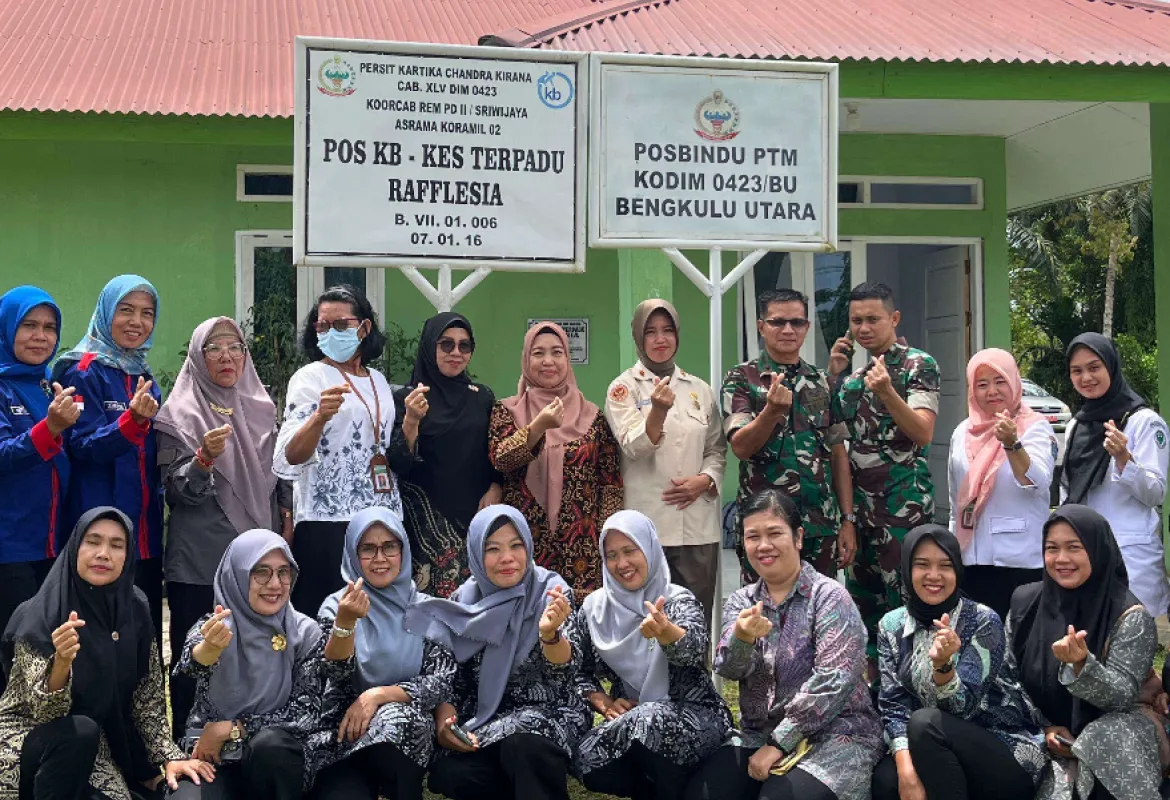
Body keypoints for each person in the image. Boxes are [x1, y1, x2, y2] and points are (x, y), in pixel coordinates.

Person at [0, 507, 211, 800]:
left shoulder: (135, 608)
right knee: (80, 731)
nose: (103, 554)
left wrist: (168, 756)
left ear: (128, 555)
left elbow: (147, 699)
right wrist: (61, 663)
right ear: (75, 547)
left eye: (116, 545)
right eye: (93, 541)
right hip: (26, 746)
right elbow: (42, 714)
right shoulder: (40, 614)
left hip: (94, 749)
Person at [686, 489, 883, 800]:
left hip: (833, 736)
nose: (763, 545)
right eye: (753, 536)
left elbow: (833, 681)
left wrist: (778, 743)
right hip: (758, 735)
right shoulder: (741, 601)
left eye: (774, 533)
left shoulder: (829, 597)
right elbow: (728, 669)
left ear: (798, 537)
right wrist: (742, 637)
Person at [154, 316, 293, 739]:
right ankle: (186, 744)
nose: (226, 355)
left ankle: (249, 740)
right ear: (198, 357)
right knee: (195, 656)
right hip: (201, 562)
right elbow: (176, 493)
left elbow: (281, 474)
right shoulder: (179, 414)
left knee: (256, 655)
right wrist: (203, 460)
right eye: (214, 348)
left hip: (257, 563)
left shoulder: (262, 408)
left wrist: (286, 517)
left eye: (235, 346)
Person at [405, 505, 590, 800]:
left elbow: (566, 671)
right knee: (450, 774)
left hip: (547, 714)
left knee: (524, 746)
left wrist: (550, 635)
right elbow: (451, 678)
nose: (507, 558)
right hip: (485, 720)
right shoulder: (464, 600)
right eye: (493, 549)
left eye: (516, 545)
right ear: (476, 555)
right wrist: (445, 719)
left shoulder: (551, 592)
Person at [169, 529, 367, 800]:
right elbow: (191, 667)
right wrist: (210, 649)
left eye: (283, 572)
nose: (275, 584)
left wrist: (234, 728)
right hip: (214, 756)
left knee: (271, 747)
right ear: (237, 575)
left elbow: (305, 713)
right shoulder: (214, 626)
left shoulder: (304, 632)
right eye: (261, 572)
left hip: (279, 762)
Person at [871, 525, 1045, 800]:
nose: (934, 575)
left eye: (945, 566)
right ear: (906, 569)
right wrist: (905, 770)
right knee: (887, 782)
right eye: (922, 565)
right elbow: (893, 705)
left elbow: (963, 709)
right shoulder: (891, 625)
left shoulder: (983, 620)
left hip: (1001, 747)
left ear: (958, 571)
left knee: (925, 722)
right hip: (930, 744)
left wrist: (944, 666)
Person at [1007, 504, 1162, 800]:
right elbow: (1008, 678)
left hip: (1117, 738)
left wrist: (1081, 666)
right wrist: (1044, 727)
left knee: (1103, 738)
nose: (1061, 559)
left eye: (1074, 547)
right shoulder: (1025, 604)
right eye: (1052, 548)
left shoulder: (1130, 615)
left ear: (1097, 550)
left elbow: (1122, 697)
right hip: (1043, 733)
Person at [575, 509, 732, 800]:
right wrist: (604, 702)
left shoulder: (676, 599)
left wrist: (665, 631)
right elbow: (578, 672)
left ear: (649, 548)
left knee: (650, 722)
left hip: (693, 714)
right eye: (612, 555)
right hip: (631, 719)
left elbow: (693, 649)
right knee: (584, 757)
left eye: (630, 551)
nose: (622, 564)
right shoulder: (594, 609)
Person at [828, 281, 940, 663]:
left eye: (873, 319)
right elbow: (837, 446)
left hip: (903, 512)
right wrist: (833, 376)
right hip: (861, 517)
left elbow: (923, 432)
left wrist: (889, 393)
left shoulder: (917, 365)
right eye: (856, 320)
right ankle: (875, 689)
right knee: (866, 614)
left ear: (894, 319)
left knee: (909, 609)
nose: (863, 328)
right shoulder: (852, 382)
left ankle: (911, 685)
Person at [311, 508, 456, 800]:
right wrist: (346, 623)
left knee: (398, 719)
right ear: (353, 555)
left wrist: (377, 695)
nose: (380, 558)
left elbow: (441, 681)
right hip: (346, 735)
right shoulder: (336, 606)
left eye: (389, 546)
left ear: (403, 551)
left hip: (403, 738)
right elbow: (333, 676)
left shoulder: (427, 609)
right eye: (368, 549)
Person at [275, 284, 402, 616]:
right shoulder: (310, 378)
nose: (331, 332)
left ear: (365, 327)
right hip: (327, 521)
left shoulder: (379, 381)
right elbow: (291, 455)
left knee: (378, 615)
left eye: (341, 324)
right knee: (329, 618)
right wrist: (319, 417)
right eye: (323, 325)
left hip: (379, 516)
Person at [53, 275, 165, 644]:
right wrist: (130, 422)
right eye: (126, 310)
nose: (137, 322)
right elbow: (81, 447)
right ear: (105, 313)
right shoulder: (83, 370)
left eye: (147, 313)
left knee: (141, 634)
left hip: (143, 532)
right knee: (94, 636)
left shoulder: (142, 373)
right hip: (100, 532)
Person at [721, 289, 855, 583]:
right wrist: (771, 412)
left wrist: (847, 520)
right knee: (763, 607)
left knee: (821, 605)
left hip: (819, 525)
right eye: (777, 322)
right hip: (766, 528)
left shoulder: (821, 381)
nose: (787, 330)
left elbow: (837, 453)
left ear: (807, 327)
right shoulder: (741, 378)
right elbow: (740, 447)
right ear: (761, 327)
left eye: (796, 322)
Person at [605, 300, 726, 622]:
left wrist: (705, 480)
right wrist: (657, 411)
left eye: (668, 330)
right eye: (651, 332)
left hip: (697, 527)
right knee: (648, 622)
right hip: (648, 527)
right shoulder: (623, 388)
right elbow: (634, 447)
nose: (660, 339)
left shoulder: (699, 389)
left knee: (695, 620)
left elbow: (716, 448)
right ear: (637, 337)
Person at [489, 322, 623, 597]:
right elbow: (501, 459)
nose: (548, 361)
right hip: (523, 544)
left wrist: (609, 539)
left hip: (583, 552)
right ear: (526, 360)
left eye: (557, 352)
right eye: (538, 353)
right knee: (527, 616)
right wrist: (538, 427)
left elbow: (610, 483)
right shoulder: (506, 411)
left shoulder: (593, 417)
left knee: (579, 619)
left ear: (567, 359)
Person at [388, 312, 502, 598]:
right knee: (430, 607)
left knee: (477, 602)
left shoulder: (482, 397)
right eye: (446, 344)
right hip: (425, 523)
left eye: (465, 346)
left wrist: (496, 486)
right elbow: (398, 462)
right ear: (430, 347)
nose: (456, 353)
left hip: (476, 515)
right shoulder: (407, 398)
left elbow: (494, 453)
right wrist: (411, 420)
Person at [1063, 333, 1170, 617]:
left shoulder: (1143, 421)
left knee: (1133, 631)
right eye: (1077, 371)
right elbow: (1068, 491)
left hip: (1131, 554)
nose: (1086, 377)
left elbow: (1155, 493)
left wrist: (1124, 458)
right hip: (1085, 553)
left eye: (1094, 367)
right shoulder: (1076, 425)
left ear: (1111, 366)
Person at [0, 288, 78, 671]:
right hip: (8, 546)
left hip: (50, 544)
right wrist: (50, 429)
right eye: (29, 325)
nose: (40, 336)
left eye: (49, 328)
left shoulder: (49, 384)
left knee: (43, 655)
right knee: (12, 656)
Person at [947, 348, 1056, 618]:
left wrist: (1012, 443)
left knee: (1020, 636)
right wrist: (953, 551)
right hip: (971, 558)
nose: (992, 391)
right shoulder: (962, 432)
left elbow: (1038, 482)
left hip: (1021, 559)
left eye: (1000, 382)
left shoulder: (1035, 427)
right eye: (982, 384)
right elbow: (955, 500)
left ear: (1014, 382)